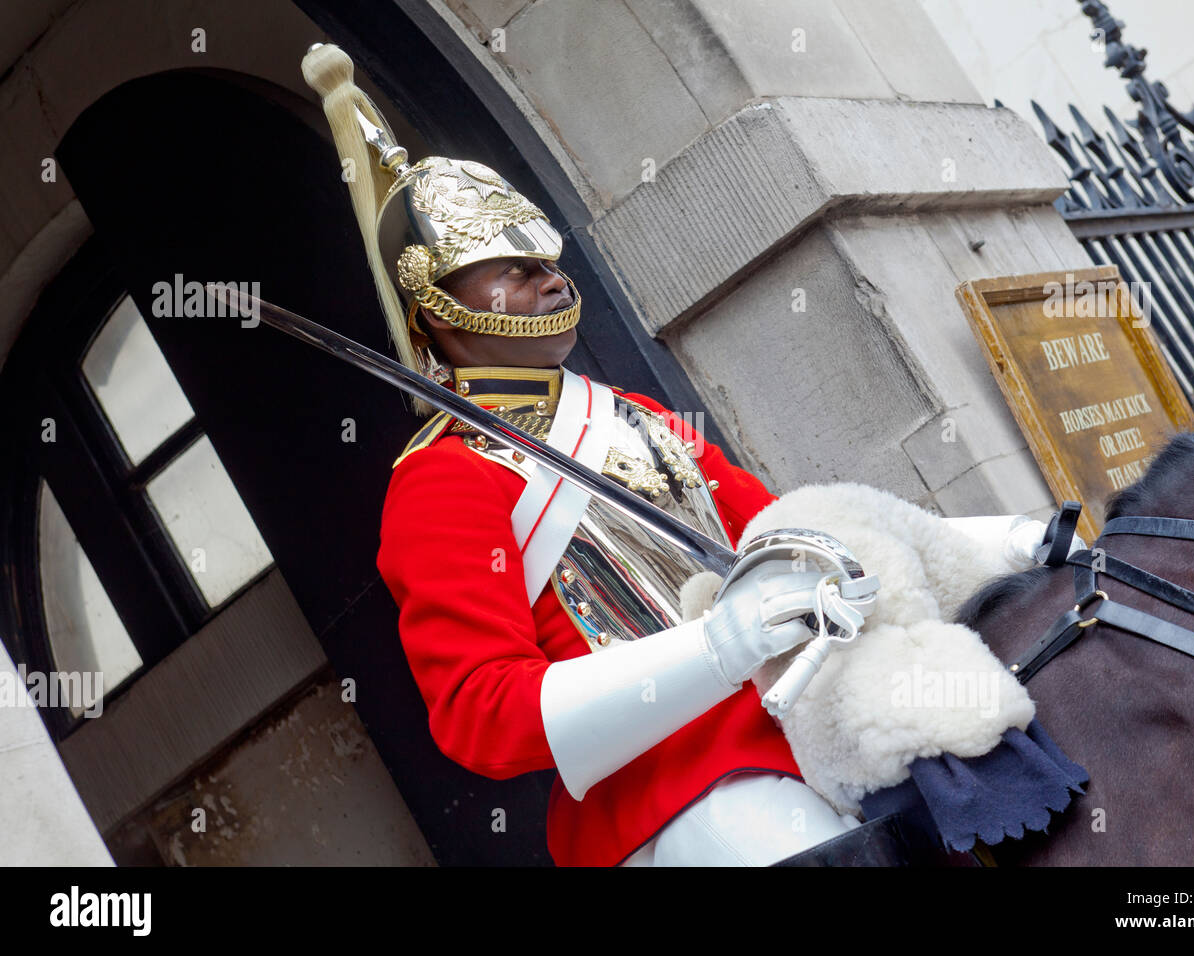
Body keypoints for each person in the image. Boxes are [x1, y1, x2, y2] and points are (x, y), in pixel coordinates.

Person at [301, 44, 1055, 866]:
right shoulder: (439, 480)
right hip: (670, 789)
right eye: (515, 272)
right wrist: (719, 646)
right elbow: (484, 713)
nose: (552, 283)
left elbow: (791, 537)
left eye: (548, 263)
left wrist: (1004, 541)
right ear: (438, 314)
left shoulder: (638, 414)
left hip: (806, 715)